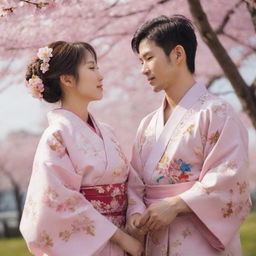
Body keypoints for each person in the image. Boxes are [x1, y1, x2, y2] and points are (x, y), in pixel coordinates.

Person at [126, 15, 251, 256]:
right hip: (155, 238)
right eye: (140, 61)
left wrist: (176, 204)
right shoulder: (147, 124)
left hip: (197, 240)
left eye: (149, 58)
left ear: (178, 54)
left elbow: (230, 178)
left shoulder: (217, 112)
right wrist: (135, 213)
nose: (143, 70)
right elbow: (134, 182)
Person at [20, 41, 144, 256]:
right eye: (92, 67)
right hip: (91, 246)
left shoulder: (107, 131)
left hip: (123, 239)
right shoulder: (56, 136)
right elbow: (57, 199)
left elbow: (130, 180)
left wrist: (135, 212)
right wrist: (121, 238)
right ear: (67, 79)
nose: (101, 75)